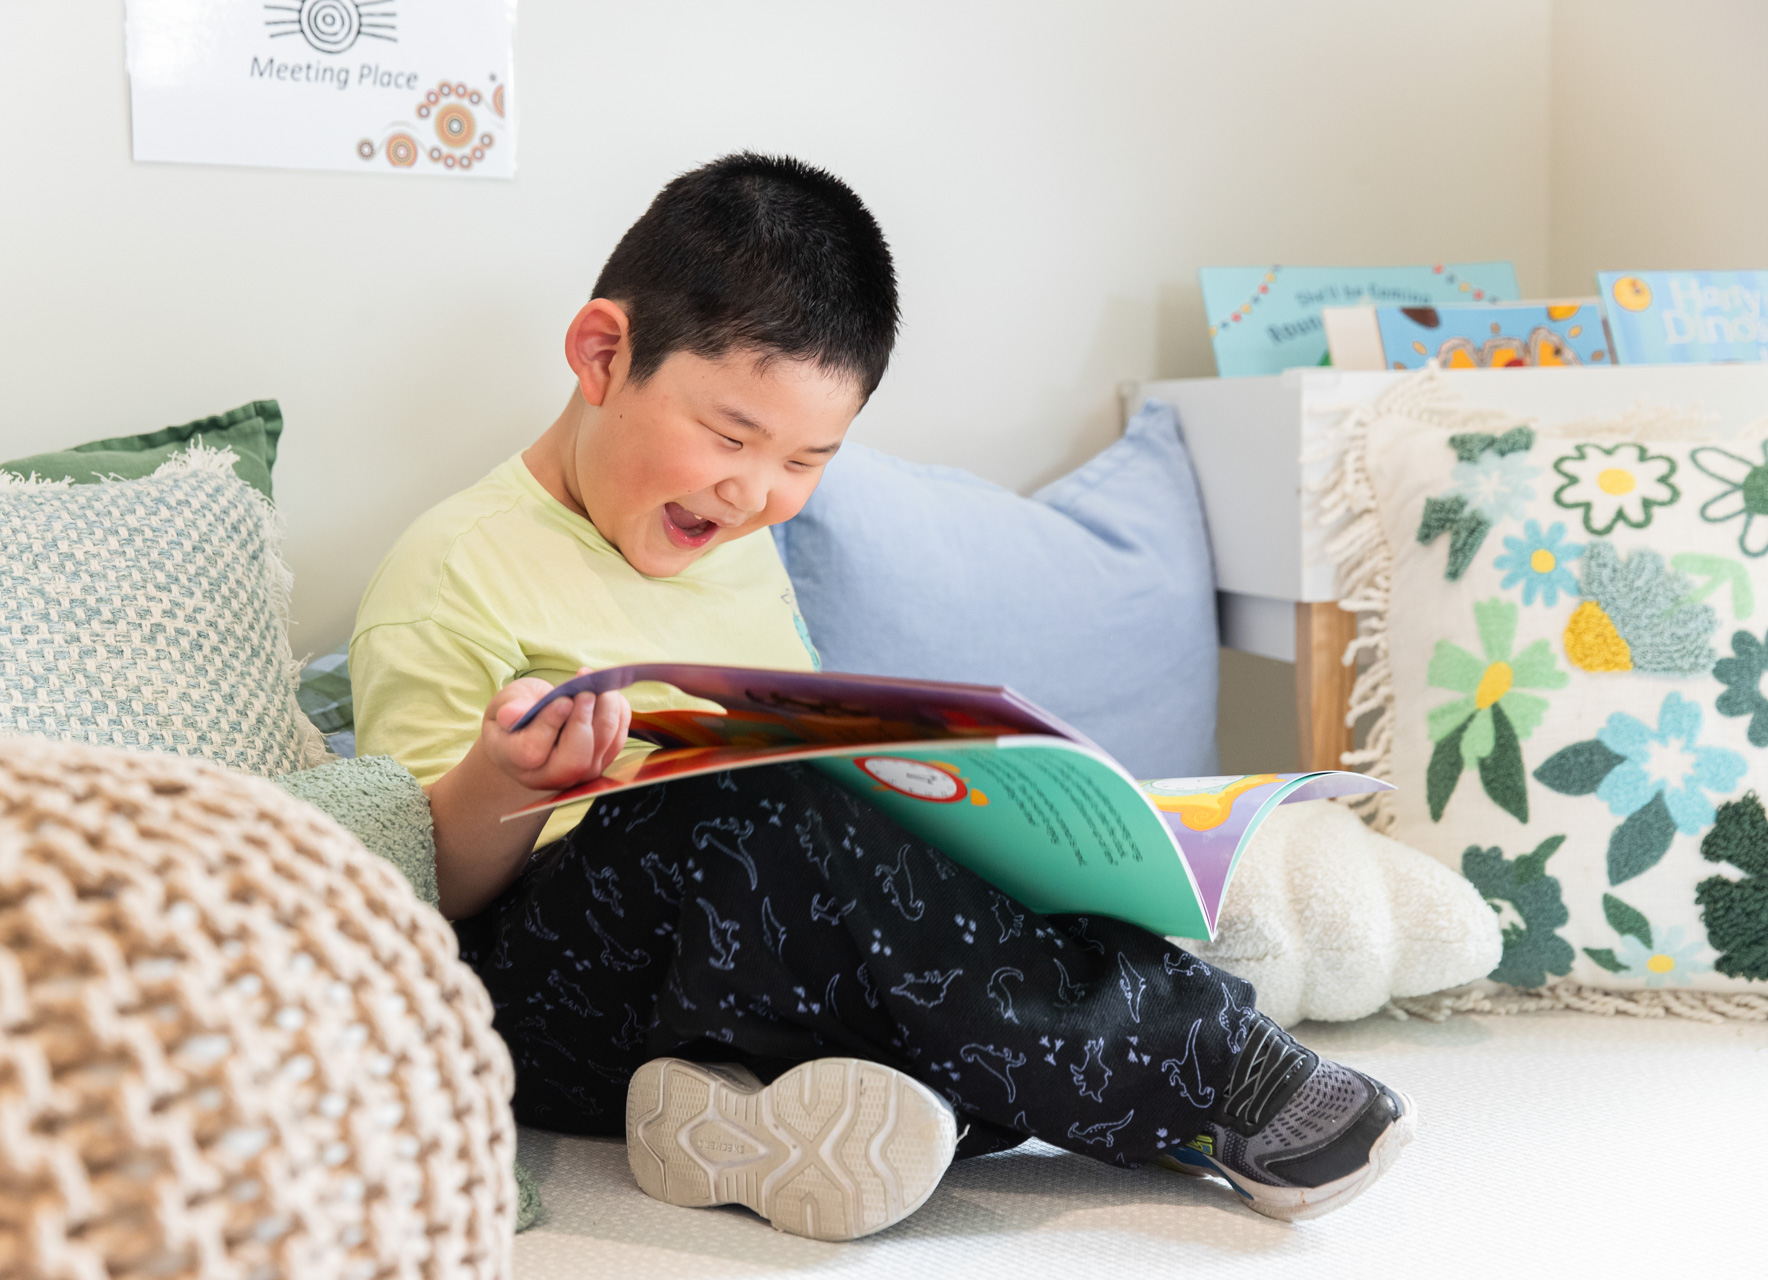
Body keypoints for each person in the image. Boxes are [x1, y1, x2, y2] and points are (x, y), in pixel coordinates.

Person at [350, 153, 1415, 1241]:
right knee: (745, 796)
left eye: (807, 458)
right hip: (549, 997)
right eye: (729, 435)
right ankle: (1219, 1072)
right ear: (602, 353)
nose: (754, 491)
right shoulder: (452, 569)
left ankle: (767, 1111)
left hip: (725, 974)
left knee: (921, 820)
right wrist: (506, 778)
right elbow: (421, 900)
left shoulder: (741, 545)